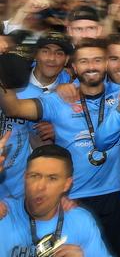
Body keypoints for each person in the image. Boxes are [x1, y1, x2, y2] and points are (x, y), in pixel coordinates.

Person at [0, 38, 120, 254]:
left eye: (97, 60)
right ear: (74, 68)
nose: (92, 66)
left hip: (112, 196)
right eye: (84, 61)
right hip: (70, 199)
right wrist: (3, 76)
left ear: (106, 64)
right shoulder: (59, 100)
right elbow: (14, 108)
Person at [0, 145, 111, 256]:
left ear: (66, 184)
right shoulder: (4, 214)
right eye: (34, 176)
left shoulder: (81, 222)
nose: (40, 186)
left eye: (52, 178)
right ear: (25, 177)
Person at [0, 31, 72, 199]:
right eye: (45, 51)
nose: (51, 58)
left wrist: (58, 130)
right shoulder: (14, 74)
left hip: (21, 189)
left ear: (67, 59)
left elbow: (39, 140)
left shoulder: (71, 88)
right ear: (36, 54)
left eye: (59, 53)